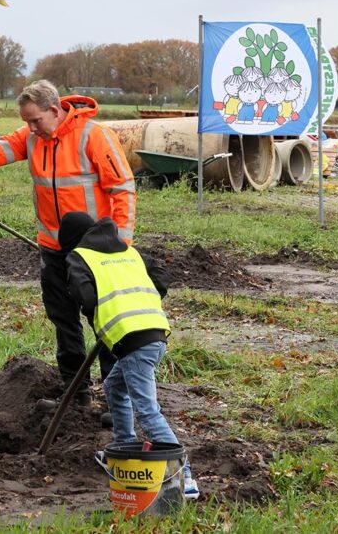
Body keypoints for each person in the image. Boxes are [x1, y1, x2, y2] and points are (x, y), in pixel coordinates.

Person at [0, 80, 136, 415]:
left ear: (54, 109)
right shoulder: (31, 137)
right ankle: (75, 396)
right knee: (64, 322)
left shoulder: (93, 136)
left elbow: (123, 189)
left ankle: (118, 402)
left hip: (98, 250)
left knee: (105, 322)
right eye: (26, 122)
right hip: (53, 249)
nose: (30, 128)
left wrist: (120, 243)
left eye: (35, 120)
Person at [59, 211, 199, 500]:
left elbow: (84, 296)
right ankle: (124, 447)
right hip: (156, 332)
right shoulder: (128, 251)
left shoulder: (79, 257)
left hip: (132, 340)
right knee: (113, 386)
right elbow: (160, 275)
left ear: (72, 241)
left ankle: (183, 475)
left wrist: (95, 310)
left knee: (147, 411)